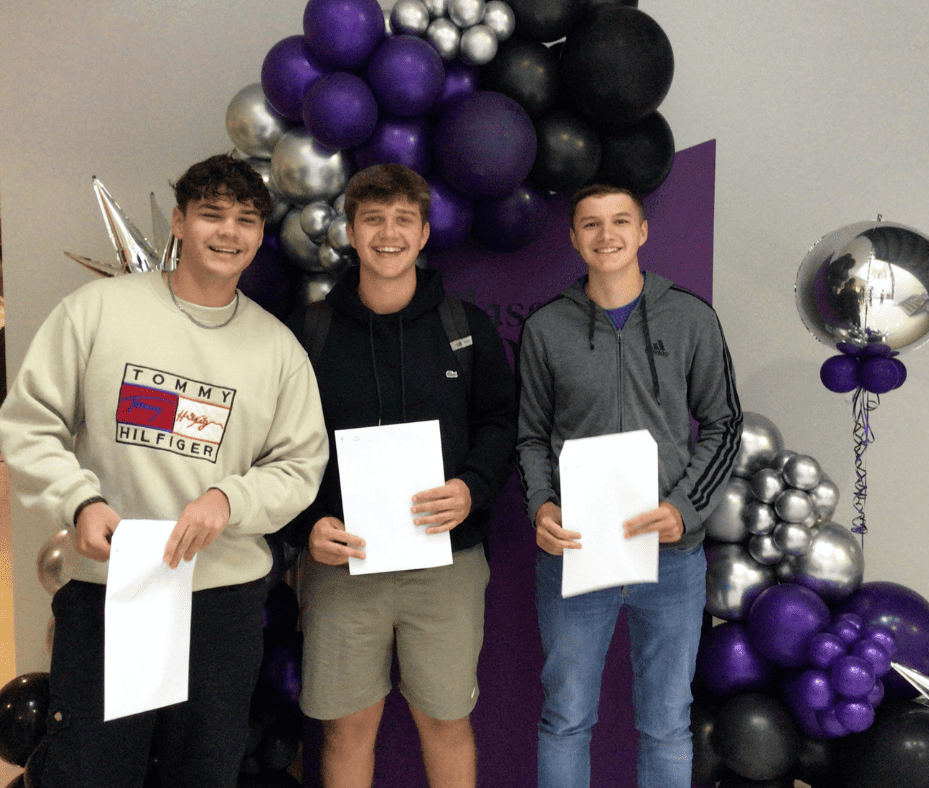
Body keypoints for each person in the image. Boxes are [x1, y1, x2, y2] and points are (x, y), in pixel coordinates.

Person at [0, 154, 329, 788]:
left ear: (260, 234)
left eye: (244, 219)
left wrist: (228, 502)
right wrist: (79, 503)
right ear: (179, 222)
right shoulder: (95, 312)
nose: (228, 232)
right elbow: (28, 422)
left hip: (222, 604)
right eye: (211, 215)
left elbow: (298, 464)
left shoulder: (279, 350)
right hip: (109, 592)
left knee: (201, 772)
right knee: (92, 772)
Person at [286, 163, 516, 788]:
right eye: (373, 220)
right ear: (352, 233)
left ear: (423, 234)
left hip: (445, 566)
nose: (388, 233)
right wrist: (308, 526)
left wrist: (472, 487)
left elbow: (501, 423)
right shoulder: (311, 332)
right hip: (341, 567)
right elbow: (279, 448)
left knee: (444, 721)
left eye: (402, 220)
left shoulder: (464, 328)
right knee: (348, 728)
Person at [516, 183, 742, 788]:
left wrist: (685, 509)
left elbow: (725, 424)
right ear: (573, 238)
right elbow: (530, 438)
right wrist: (541, 506)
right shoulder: (546, 328)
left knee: (667, 723)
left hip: (671, 558)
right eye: (590, 224)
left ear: (642, 231)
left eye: (620, 221)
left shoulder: (691, 317)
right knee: (565, 719)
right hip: (576, 556)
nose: (606, 235)